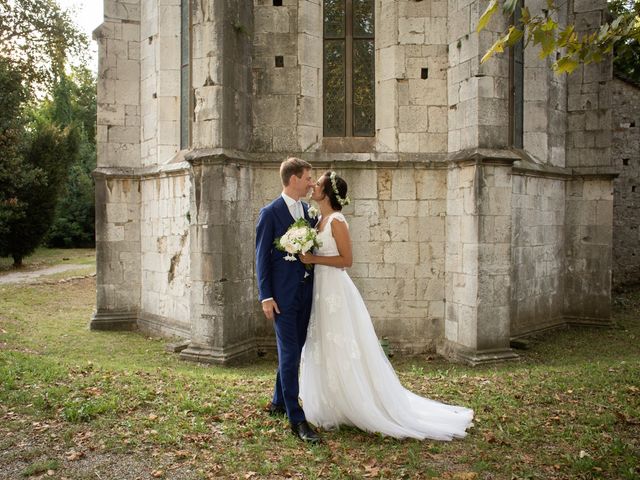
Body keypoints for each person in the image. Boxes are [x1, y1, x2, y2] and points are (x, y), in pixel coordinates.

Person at [299, 171, 474, 440]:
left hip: (335, 288)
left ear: (328, 192)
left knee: (341, 342)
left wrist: (313, 259)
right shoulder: (318, 219)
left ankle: (356, 401)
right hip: (320, 289)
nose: (313, 187)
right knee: (323, 341)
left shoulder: (337, 221)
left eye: (318, 184)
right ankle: (332, 402)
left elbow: (347, 260)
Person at [255, 157, 321, 443]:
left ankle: (278, 402)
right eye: (308, 178)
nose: (310, 183)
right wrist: (266, 296)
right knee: (291, 354)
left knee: (295, 349)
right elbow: (261, 258)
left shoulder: (309, 212)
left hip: (306, 293)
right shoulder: (270, 213)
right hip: (281, 297)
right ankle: (296, 419)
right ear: (294, 178)